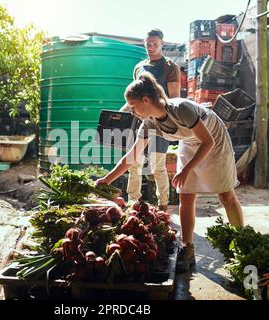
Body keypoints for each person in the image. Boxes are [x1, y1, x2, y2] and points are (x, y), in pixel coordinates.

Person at [97, 72, 245, 272]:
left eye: (133, 105)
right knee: (185, 195)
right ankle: (188, 247)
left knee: (226, 195)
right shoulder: (149, 122)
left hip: (214, 140)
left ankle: (241, 242)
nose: (132, 111)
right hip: (190, 143)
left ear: (146, 100)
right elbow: (131, 157)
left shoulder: (181, 108)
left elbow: (208, 141)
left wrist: (187, 169)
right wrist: (106, 180)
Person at [119, 29, 180, 212]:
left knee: (158, 166)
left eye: (155, 44)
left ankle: (163, 206)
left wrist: (168, 122)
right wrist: (119, 114)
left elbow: (174, 99)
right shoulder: (139, 67)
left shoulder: (170, 67)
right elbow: (133, 97)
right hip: (140, 120)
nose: (151, 48)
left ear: (162, 43)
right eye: (148, 45)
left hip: (160, 121)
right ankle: (133, 203)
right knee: (134, 163)